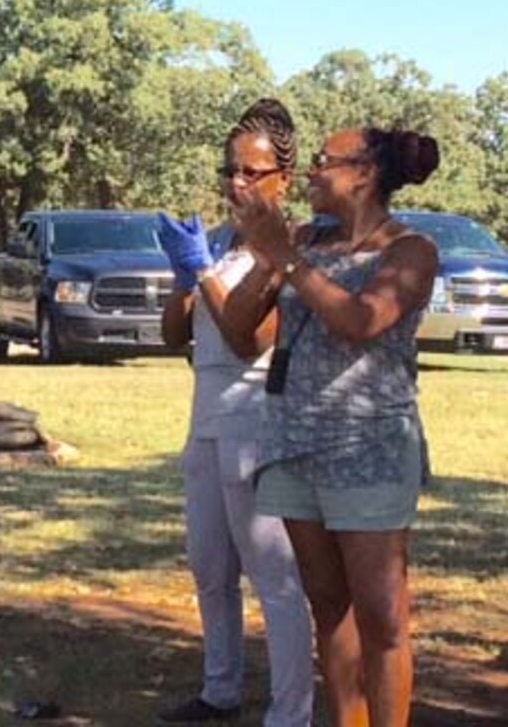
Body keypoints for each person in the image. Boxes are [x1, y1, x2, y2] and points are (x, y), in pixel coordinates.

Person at [223, 126, 440, 727]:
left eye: (324, 161)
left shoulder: (409, 251)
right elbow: (240, 330)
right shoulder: (302, 241)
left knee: (381, 614)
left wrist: (287, 259)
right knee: (330, 608)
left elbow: (361, 321)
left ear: (364, 173)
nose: (312, 172)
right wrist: (266, 253)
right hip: (293, 443)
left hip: (367, 448)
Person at [157, 99, 314, 726]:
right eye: (230, 170)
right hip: (205, 417)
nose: (237, 184)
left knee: (273, 577)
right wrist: (183, 278)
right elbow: (176, 335)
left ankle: (290, 713)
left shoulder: (287, 249)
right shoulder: (218, 246)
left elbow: (252, 335)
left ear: (284, 181)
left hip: (255, 420)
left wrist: (206, 275)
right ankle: (219, 689)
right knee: (209, 567)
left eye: (252, 172)